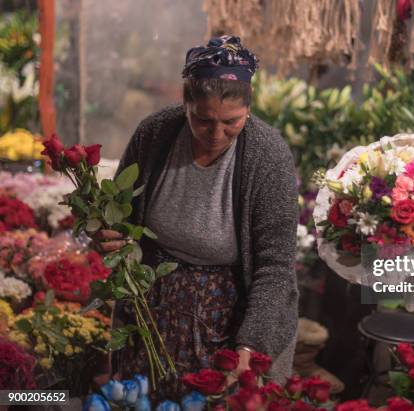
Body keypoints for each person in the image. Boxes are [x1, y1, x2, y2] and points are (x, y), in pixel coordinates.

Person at [97, 35, 299, 400]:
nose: (217, 135)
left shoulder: (268, 157)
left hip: (222, 325)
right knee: (141, 399)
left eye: (231, 122)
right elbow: (119, 211)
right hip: (149, 311)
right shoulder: (156, 133)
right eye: (203, 121)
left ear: (248, 109)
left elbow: (275, 266)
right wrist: (111, 235)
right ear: (185, 102)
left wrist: (249, 347)